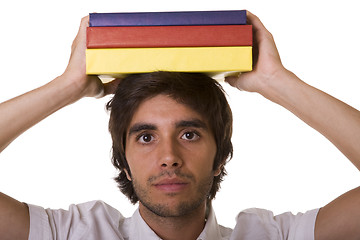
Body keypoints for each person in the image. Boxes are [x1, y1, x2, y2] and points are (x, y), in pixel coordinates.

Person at [0, 11, 359, 240]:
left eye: (189, 134)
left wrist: (276, 81)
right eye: (145, 136)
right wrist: (66, 87)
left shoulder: (274, 236)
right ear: (122, 161)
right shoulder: (70, 234)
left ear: (221, 155)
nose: (169, 156)